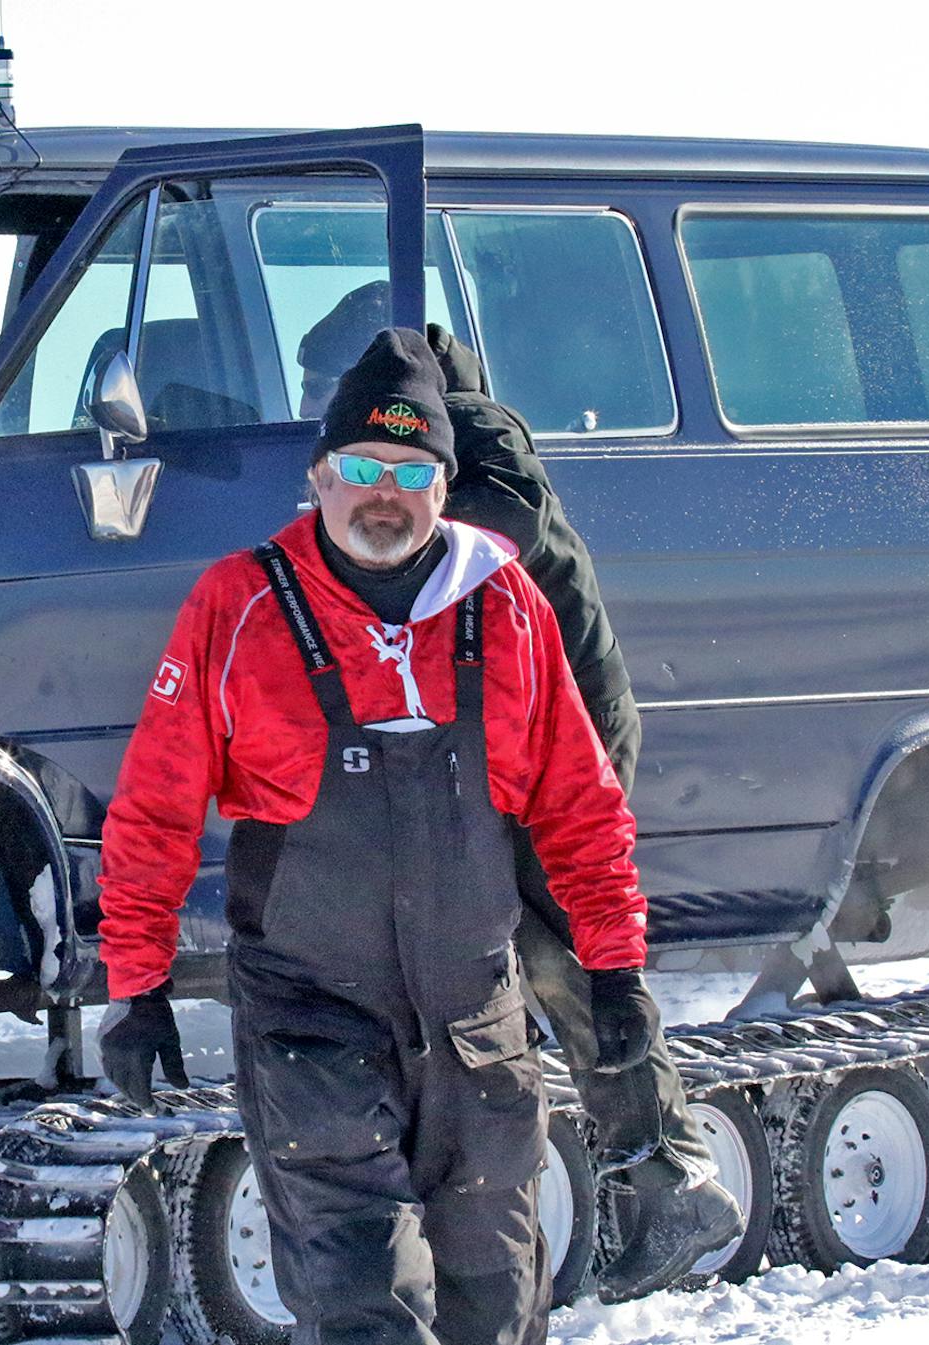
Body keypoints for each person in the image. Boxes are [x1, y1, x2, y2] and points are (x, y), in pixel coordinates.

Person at [96, 328, 658, 1344]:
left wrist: (615, 972)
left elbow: (582, 805)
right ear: (318, 474)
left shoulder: (509, 605)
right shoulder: (239, 604)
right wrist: (135, 987)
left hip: (476, 1022)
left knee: (496, 1306)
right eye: (361, 467)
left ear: (445, 485)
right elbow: (156, 807)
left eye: (410, 470)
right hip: (314, 1021)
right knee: (366, 1304)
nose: (382, 493)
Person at [301, 285, 741, 1301]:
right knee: (535, 954)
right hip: (525, 742)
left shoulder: (480, 436)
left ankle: (671, 1170)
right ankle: (661, 1172)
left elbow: (509, 518)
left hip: (563, 743)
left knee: (559, 952)